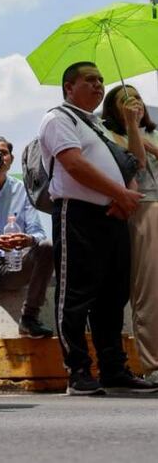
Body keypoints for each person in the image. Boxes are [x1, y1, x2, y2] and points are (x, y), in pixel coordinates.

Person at [37, 62, 155, 395]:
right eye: (90, 80)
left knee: (113, 297)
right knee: (75, 295)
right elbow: (73, 165)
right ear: (68, 88)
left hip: (113, 217)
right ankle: (77, 371)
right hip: (78, 215)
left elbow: (134, 163)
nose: (99, 85)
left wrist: (132, 123)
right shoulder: (59, 119)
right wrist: (120, 193)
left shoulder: (99, 126)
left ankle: (113, 368)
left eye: (102, 80)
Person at [100, 84, 158, 383]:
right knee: (148, 291)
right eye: (126, 100)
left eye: (137, 98)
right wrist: (134, 130)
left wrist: (149, 142)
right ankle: (153, 363)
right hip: (143, 211)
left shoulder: (154, 133)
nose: (135, 103)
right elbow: (136, 167)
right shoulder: (109, 136)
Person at [0, 136, 54, 338]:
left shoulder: (21, 189)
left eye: (3, 152)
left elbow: (38, 233)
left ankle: (29, 318)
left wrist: (27, 240)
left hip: (15, 263)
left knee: (48, 247)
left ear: (11, 159)